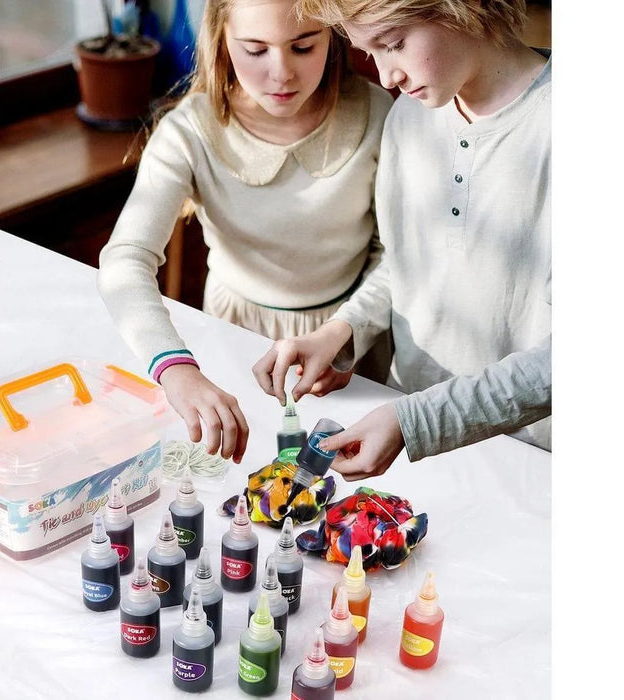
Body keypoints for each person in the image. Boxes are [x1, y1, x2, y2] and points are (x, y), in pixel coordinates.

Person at [253, 0, 551, 479]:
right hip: (412, 439)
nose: (386, 76)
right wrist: (341, 330)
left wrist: (417, 422)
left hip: (532, 457)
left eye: (393, 44)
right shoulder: (410, 117)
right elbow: (408, 260)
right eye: (371, 53)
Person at [97, 0, 394, 463]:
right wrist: (176, 371)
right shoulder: (189, 130)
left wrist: (347, 332)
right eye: (255, 50)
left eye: (302, 46)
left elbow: (397, 256)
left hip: (351, 343)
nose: (282, 74)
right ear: (221, 41)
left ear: (334, 36)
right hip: (231, 342)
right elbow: (124, 260)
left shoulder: (377, 113)